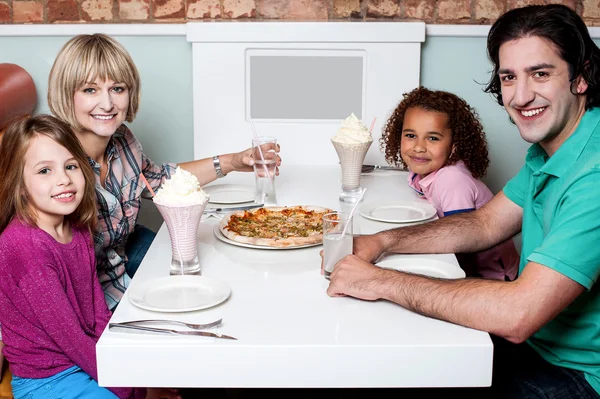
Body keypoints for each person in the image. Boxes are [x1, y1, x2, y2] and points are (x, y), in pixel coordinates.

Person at [326, 4, 600, 398]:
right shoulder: (552, 150)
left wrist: (379, 280)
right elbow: (485, 223)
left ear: (582, 76)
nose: (521, 97)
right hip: (535, 346)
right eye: (509, 77)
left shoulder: (593, 172)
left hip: (575, 375)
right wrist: (382, 242)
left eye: (540, 73)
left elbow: (518, 314)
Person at [48, 33, 281, 310]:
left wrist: (232, 161)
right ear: (67, 93)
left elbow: (160, 181)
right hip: (89, 293)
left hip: (122, 262)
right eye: (90, 90)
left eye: (117, 89)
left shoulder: (123, 140)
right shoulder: (55, 162)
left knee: (218, 271)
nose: (107, 104)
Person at [0, 115, 145, 399]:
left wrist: (125, 375)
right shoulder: (26, 246)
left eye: (70, 166)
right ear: (18, 184)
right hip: (47, 381)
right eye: (44, 171)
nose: (64, 179)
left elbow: (97, 312)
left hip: (82, 360)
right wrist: (122, 384)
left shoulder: (77, 228)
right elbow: (70, 336)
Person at [380, 86, 519, 280]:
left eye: (433, 138)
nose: (419, 147)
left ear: (454, 146)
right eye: (410, 135)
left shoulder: (452, 179)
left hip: (490, 277)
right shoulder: (420, 171)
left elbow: (462, 241)